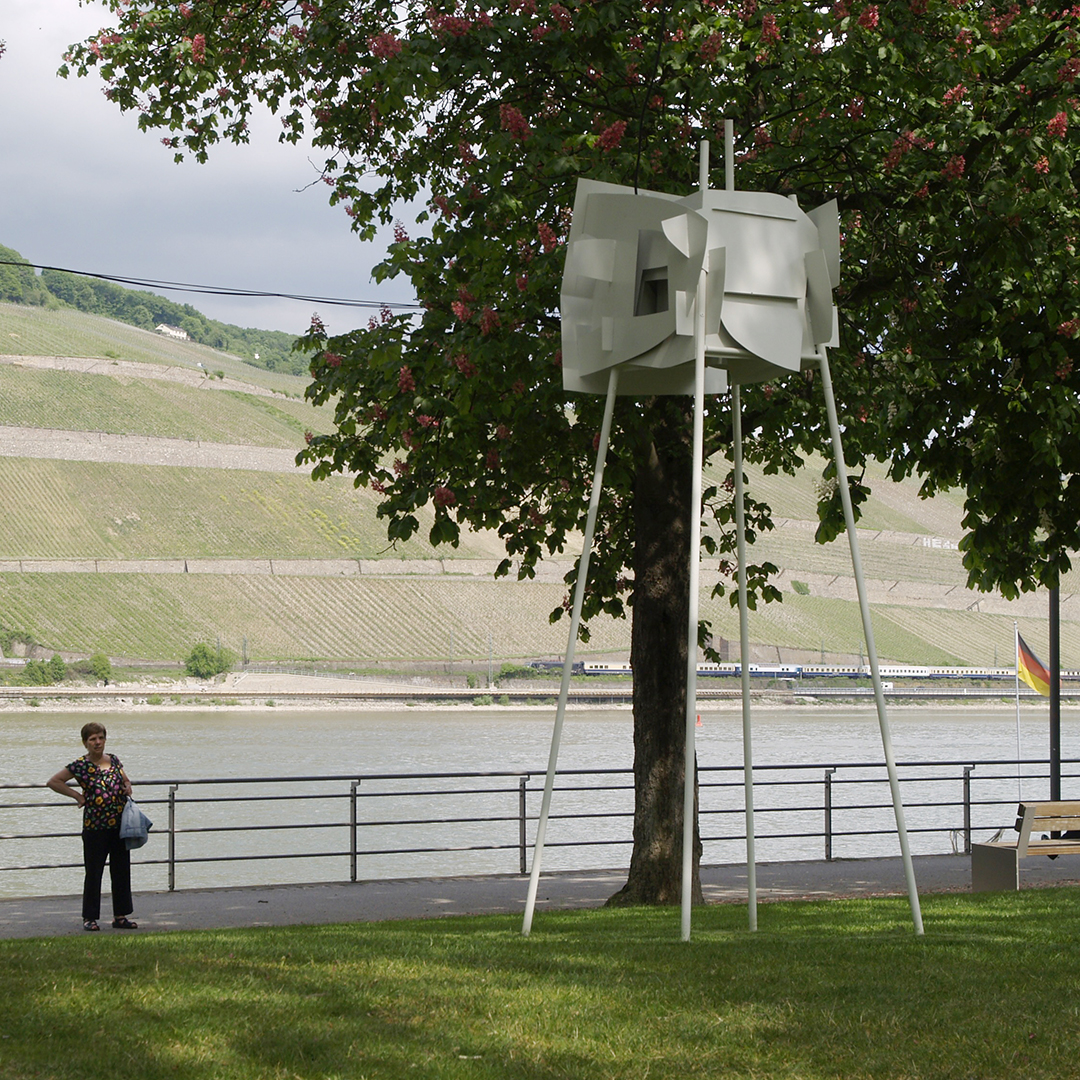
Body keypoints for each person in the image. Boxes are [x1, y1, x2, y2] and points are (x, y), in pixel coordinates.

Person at [47, 722, 138, 932]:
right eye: (92, 739)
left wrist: (128, 785)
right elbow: (54, 782)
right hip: (95, 827)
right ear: (85, 743)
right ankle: (89, 917)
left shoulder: (113, 759)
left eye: (100, 738)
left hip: (120, 826)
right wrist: (77, 796)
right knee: (94, 872)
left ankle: (120, 916)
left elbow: (125, 778)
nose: (97, 742)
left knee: (121, 871)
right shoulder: (79, 765)